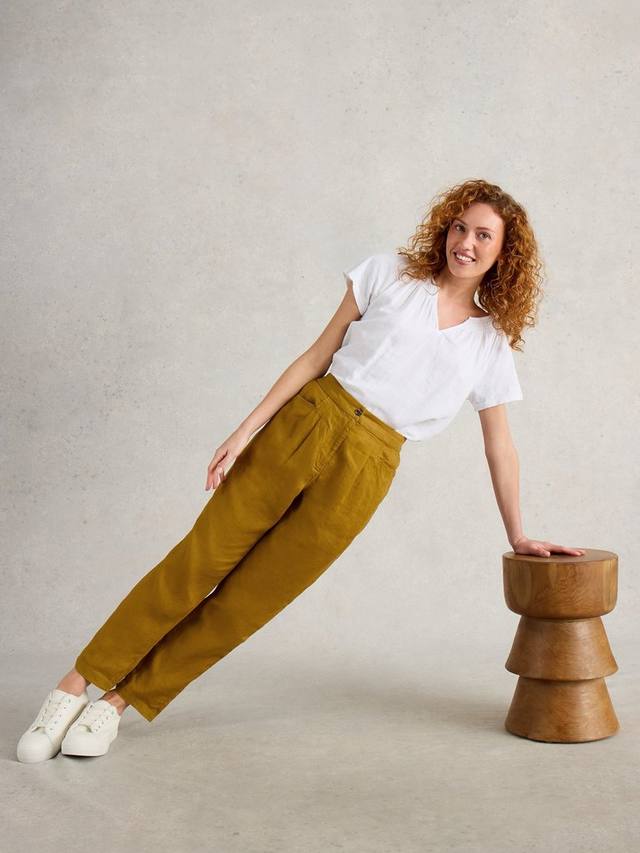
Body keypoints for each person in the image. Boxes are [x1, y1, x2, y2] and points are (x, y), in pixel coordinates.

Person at [16, 178, 585, 763]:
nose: (466, 243)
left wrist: (517, 533)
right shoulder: (389, 274)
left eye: (484, 235)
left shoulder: (489, 343)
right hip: (309, 421)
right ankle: (74, 686)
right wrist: (244, 432)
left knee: (248, 603)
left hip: (368, 468)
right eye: (460, 227)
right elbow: (316, 356)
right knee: (196, 563)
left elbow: (500, 446)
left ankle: (118, 703)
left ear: (504, 252)